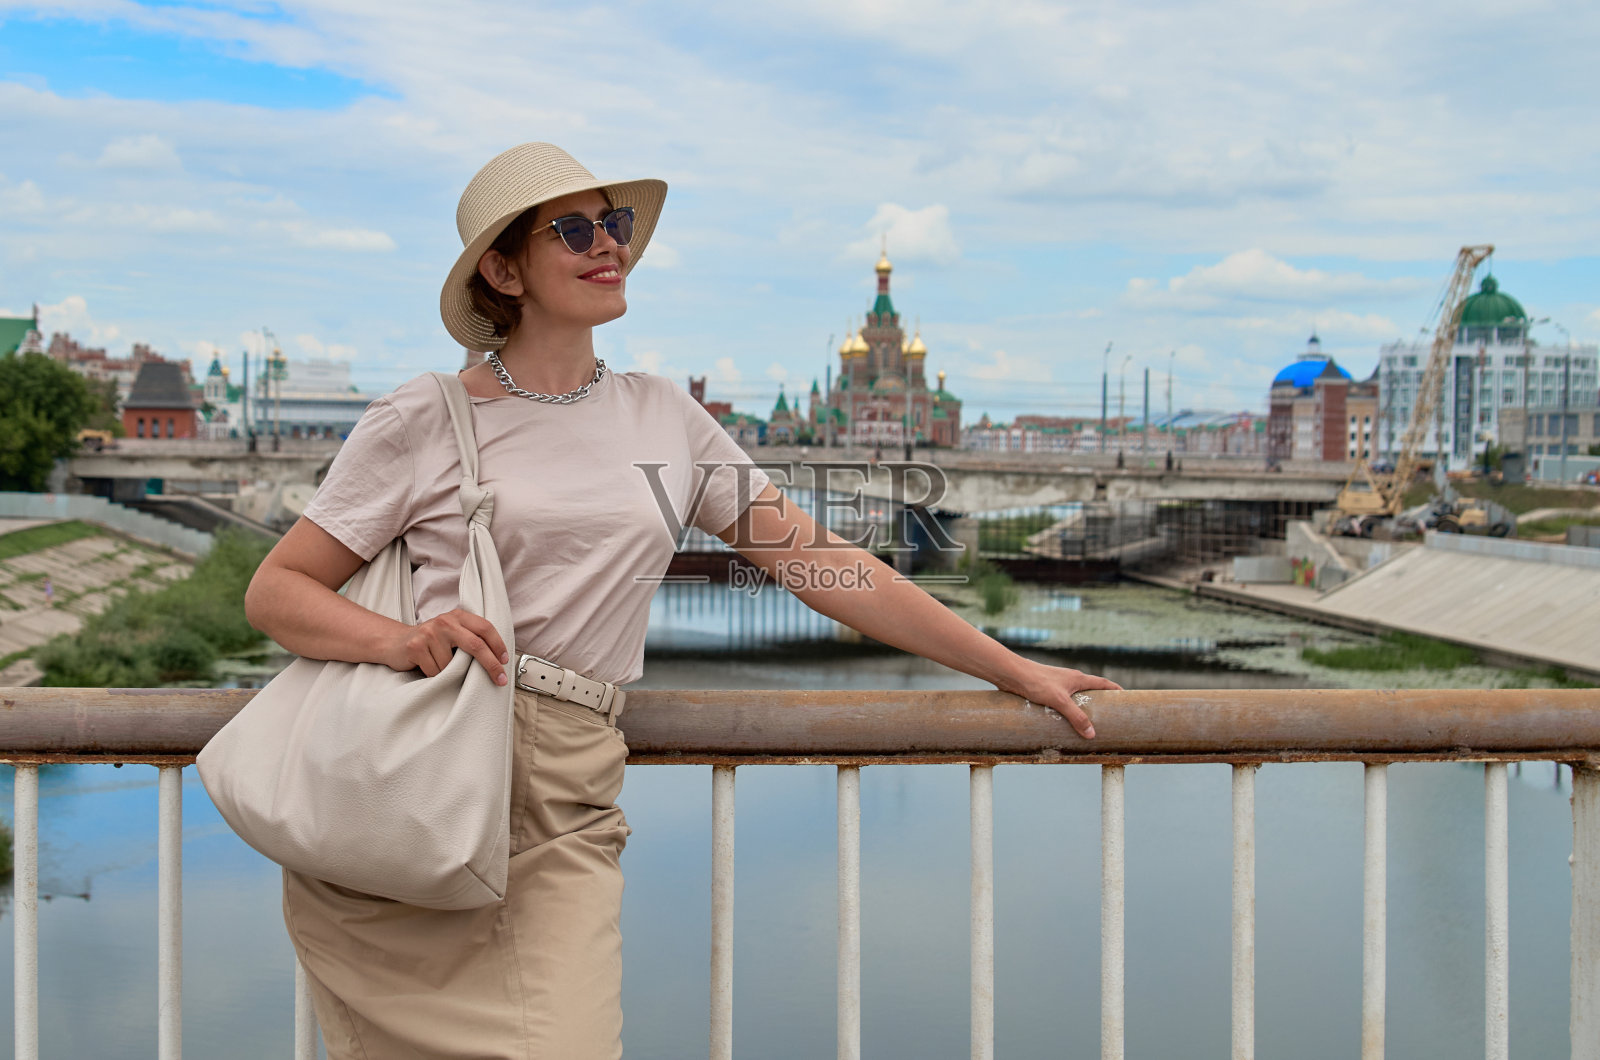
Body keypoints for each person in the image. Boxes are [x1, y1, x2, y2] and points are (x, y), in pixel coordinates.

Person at [242, 142, 1120, 1059]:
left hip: (565, 800)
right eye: (573, 230)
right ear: (504, 270)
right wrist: (402, 639)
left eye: (613, 224)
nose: (607, 244)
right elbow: (279, 591)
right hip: (419, 786)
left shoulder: (661, 415)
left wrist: (1012, 667)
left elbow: (822, 562)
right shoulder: (422, 417)